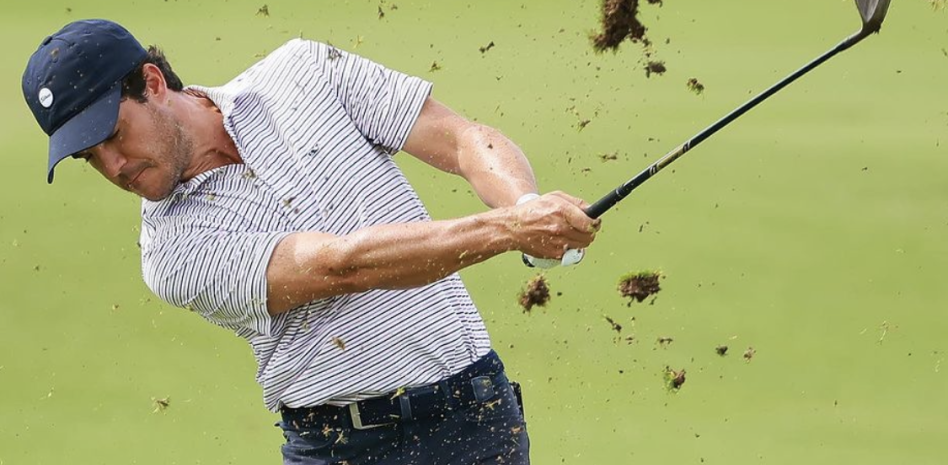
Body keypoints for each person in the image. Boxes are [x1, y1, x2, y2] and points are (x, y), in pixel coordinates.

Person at [22, 19, 600, 465]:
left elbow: (460, 140)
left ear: (152, 83)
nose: (114, 166)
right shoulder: (171, 253)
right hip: (347, 447)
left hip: (479, 415)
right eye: (88, 157)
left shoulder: (302, 71)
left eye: (113, 135)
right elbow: (340, 267)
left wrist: (524, 205)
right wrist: (508, 231)